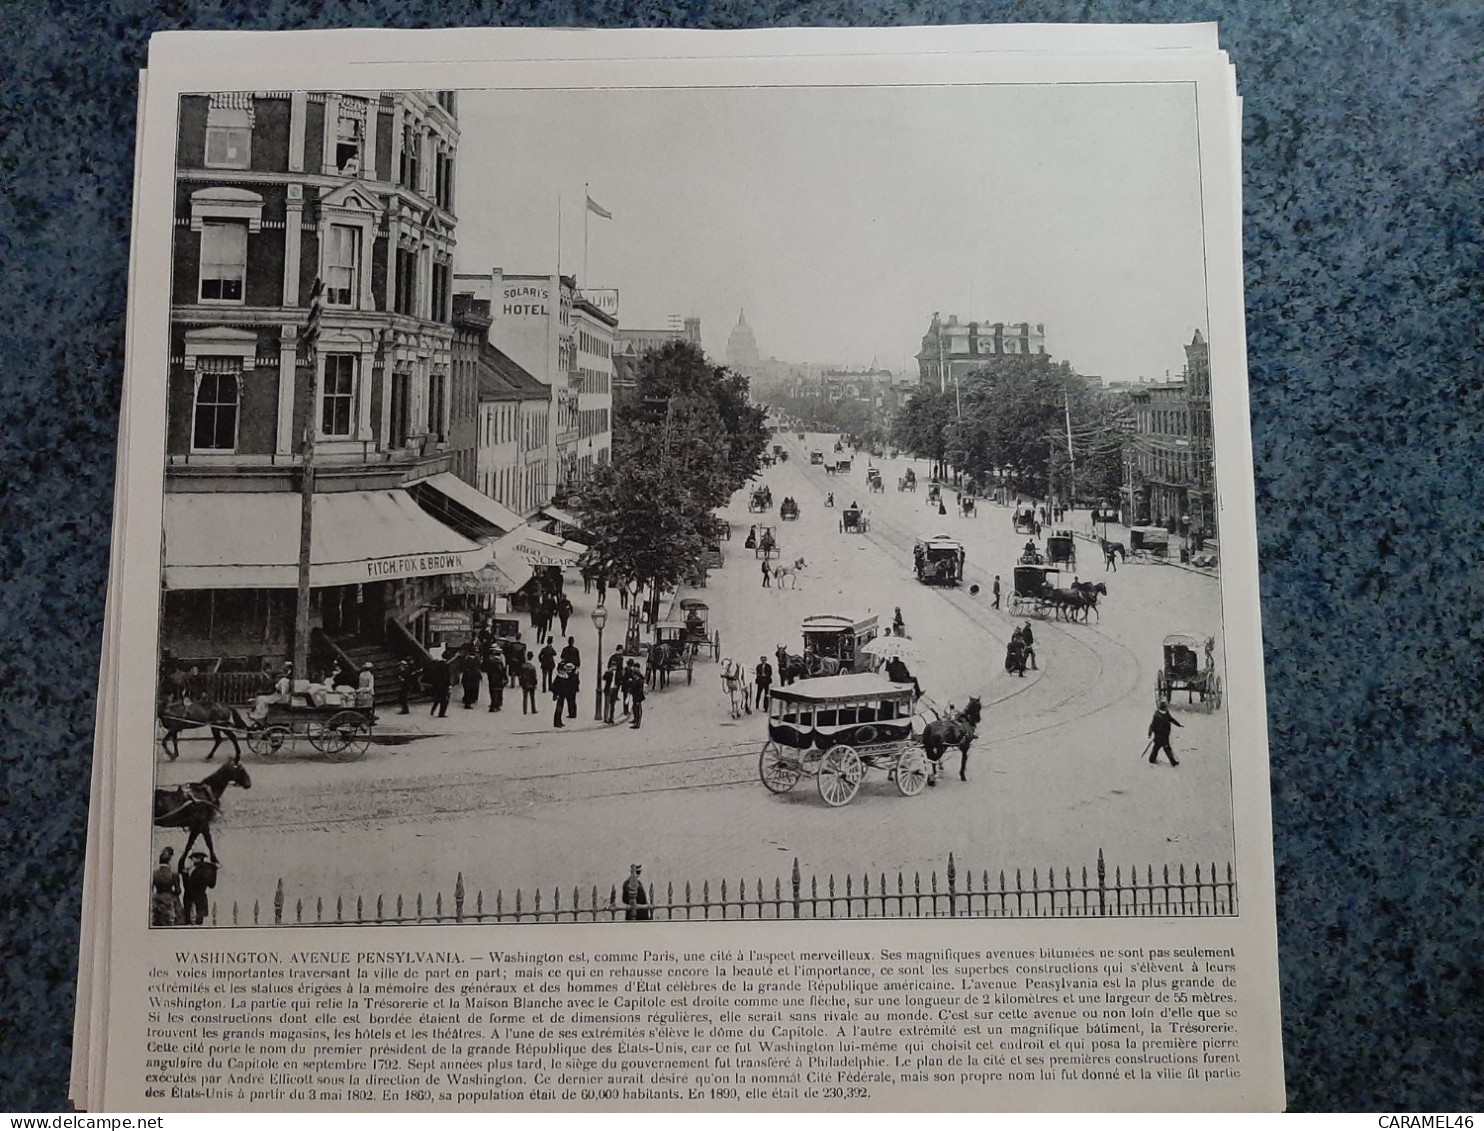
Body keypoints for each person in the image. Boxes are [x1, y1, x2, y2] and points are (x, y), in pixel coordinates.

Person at [179, 851, 218, 926]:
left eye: (193, 858)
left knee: (192, 922)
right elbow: (211, 884)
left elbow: (188, 886)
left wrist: (185, 875)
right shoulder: (207, 868)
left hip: (193, 898)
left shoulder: (199, 870)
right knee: (197, 922)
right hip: (199, 898)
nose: (191, 860)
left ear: (198, 858)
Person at [151, 847, 182, 926]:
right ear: (170, 861)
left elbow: (151, 889)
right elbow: (178, 890)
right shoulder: (174, 874)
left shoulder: (154, 874)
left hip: (157, 899)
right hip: (169, 899)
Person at [1148, 701, 1184, 766]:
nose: (1167, 708)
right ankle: (1173, 762)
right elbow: (1152, 725)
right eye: (1166, 707)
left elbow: (1171, 719)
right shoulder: (1158, 716)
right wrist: (1150, 733)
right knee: (1165, 748)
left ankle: (1152, 759)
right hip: (1160, 735)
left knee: (1157, 748)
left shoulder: (1165, 714)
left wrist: (1178, 724)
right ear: (1163, 708)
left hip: (1163, 735)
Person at [425, 652, 452, 717]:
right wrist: (449, 685)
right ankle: (441, 713)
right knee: (444, 700)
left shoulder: (437, 664)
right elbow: (447, 677)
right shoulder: (446, 666)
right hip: (444, 686)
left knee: (437, 698)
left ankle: (433, 710)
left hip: (436, 685)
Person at [550, 662, 575, 727]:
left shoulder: (564, 676)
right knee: (559, 709)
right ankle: (557, 722)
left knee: (560, 708)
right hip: (559, 695)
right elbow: (553, 687)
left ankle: (559, 721)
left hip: (562, 694)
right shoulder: (559, 677)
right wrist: (556, 693)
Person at [483, 648, 507, 712]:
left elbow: (488, 670)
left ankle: (493, 704)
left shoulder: (490, 661)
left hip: (492, 679)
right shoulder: (500, 662)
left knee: (492, 692)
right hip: (498, 679)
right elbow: (502, 671)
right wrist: (505, 678)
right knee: (498, 691)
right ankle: (496, 705)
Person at [625, 661, 646, 729]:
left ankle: (637, 723)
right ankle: (635, 719)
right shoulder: (636, 680)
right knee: (634, 709)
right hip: (635, 697)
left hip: (638, 698)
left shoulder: (639, 681)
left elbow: (639, 691)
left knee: (638, 709)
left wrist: (637, 700)